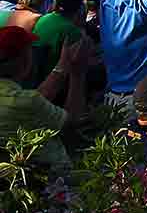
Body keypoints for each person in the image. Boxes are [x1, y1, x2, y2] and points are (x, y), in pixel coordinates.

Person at [0, 25, 91, 175]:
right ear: (23, 60)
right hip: (48, 179)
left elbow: (36, 100)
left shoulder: (20, 99)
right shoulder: (26, 102)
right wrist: (77, 73)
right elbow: (73, 121)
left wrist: (63, 65)